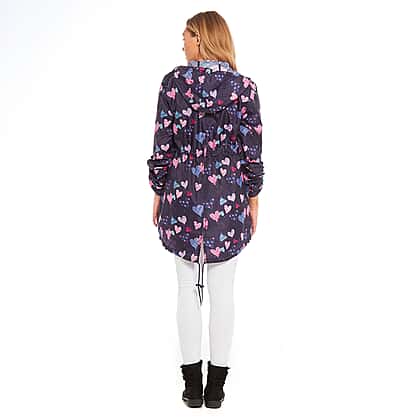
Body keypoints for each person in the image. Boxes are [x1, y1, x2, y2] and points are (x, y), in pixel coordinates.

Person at [147, 11, 264, 409]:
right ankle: (216, 389)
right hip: (228, 199)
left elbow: (162, 144)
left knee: (185, 289)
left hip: (181, 195)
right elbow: (252, 151)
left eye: (186, 35)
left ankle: (191, 386)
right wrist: (253, 196)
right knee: (223, 292)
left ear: (201, 38)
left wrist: (158, 189)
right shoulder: (244, 89)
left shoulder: (173, 84)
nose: (181, 42)